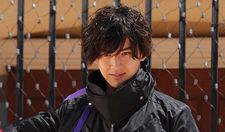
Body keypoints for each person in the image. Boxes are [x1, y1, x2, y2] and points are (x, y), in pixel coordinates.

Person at [14, 5, 199, 132]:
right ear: (95, 56)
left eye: (124, 54)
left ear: (142, 54)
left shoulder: (174, 116)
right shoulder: (73, 109)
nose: (115, 65)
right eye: (106, 55)